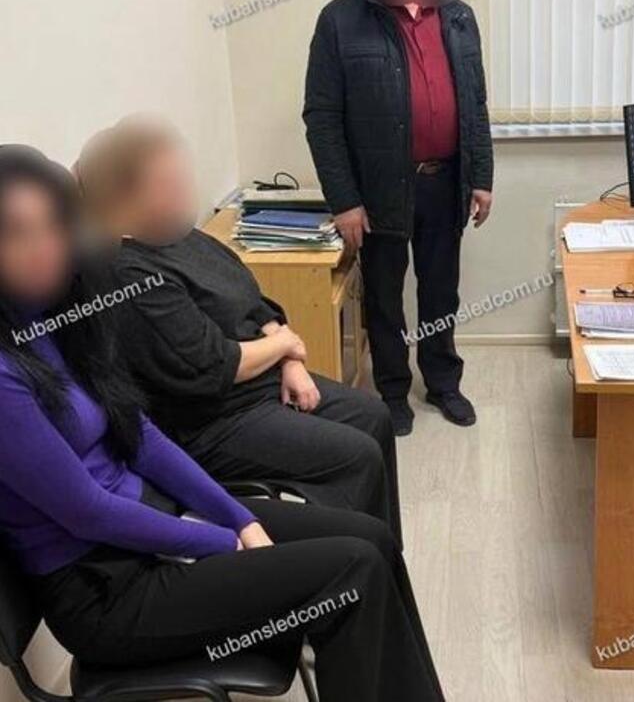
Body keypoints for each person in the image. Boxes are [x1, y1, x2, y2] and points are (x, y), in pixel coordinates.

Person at [0, 145, 444, 701]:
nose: (42, 248)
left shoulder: (62, 319)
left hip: (151, 524)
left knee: (370, 538)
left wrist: (237, 517)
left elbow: (142, 438)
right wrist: (223, 541)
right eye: (16, 233)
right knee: (352, 573)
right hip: (106, 591)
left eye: (52, 226)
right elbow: (86, 511)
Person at [75, 116, 402, 544]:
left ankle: (386, 555)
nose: (183, 190)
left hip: (264, 381)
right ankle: (352, 557)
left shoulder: (180, 236)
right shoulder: (128, 273)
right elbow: (214, 365)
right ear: (123, 196)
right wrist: (285, 344)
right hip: (214, 421)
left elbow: (254, 300)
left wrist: (290, 360)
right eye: (168, 184)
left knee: (374, 417)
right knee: (356, 456)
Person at [303, 0, 494, 436]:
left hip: (446, 180)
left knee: (441, 292)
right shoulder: (339, 21)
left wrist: (482, 176)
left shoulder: (458, 15)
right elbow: (322, 119)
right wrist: (345, 201)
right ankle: (391, 391)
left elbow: (475, 103)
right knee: (384, 297)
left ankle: (443, 383)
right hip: (378, 190)